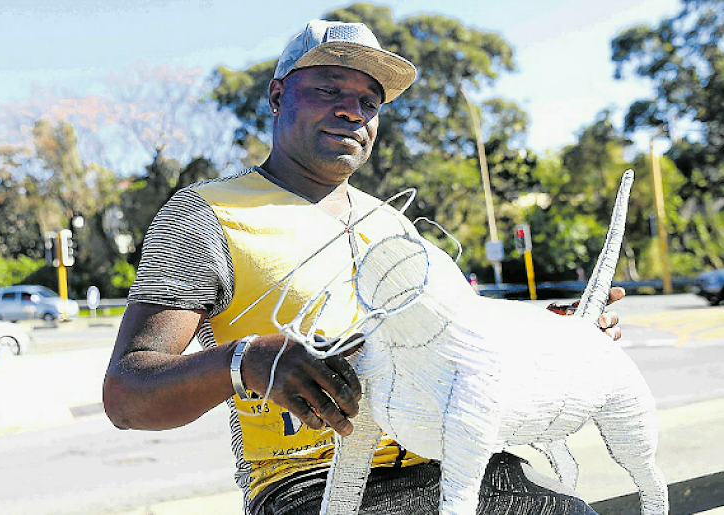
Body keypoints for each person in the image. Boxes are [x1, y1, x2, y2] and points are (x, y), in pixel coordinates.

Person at [103, 20, 623, 515]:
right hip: (312, 484)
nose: (353, 112)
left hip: (459, 460)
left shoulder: (394, 225)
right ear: (278, 96)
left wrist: (549, 331)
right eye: (330, 90)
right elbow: (127, 395)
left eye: (369, 102)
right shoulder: (207, 215)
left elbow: (461, 342)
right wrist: (247, 360)